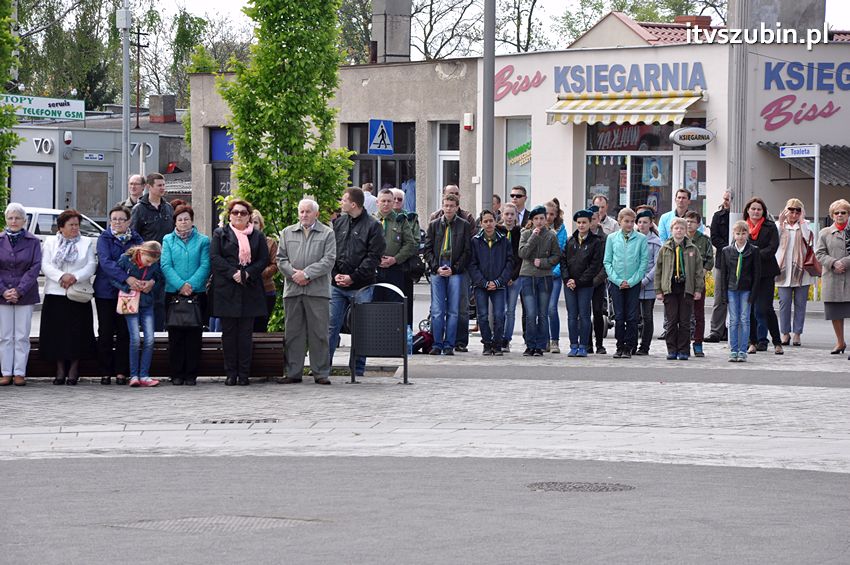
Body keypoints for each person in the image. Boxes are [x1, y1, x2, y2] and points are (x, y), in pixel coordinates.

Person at [209, 199, 270, 386]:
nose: (239, 216)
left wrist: (247, 273)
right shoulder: (220, 233)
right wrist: (233, 273)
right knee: (228, 334)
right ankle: (231, 373)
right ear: (230, 215)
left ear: (249, 216)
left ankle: (244, 374)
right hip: (226, 289)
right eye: (235, 212)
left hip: (249, 289)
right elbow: (215, 257)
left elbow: (263, 259)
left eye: (243, 213)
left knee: (245, 335)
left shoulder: (257, 236)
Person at [277, 198, 337, 385]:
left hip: (317, 291)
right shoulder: (287, 233)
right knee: (293, 333)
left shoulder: (327, 234)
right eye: (301, 211)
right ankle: (293, 372)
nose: (304, 215)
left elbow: (329, 260)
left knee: (319, 333)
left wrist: (307, 274)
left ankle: (320, 372)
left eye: (308, 212)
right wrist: (294, 274)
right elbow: (280, 259)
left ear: (316, 214)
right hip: (293, 290)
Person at [329, 187, 385, 374]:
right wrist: (335, 274)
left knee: (360, 328)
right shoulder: (339, 223)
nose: (341, 203)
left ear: (353, 204)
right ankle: (323, 368)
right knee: (331, 326)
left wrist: (353, 277)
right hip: (337, 285)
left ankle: (357, 369)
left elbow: (373, 257)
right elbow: (332, 251)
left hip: (362, 286)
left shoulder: (373, 225)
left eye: (343, 200)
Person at [40, 209, 97, 385]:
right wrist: (61, 276)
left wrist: (74, 277)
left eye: (77, 225)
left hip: (78, 293)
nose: (75, 228)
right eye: (71, 225)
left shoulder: (86, 242)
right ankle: (59, 369)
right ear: (61, 227)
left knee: (77, 333)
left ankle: (74, 368)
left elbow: (91, 265)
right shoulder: (50, 242)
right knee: (57, 333)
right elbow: (45, 264)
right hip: (56, 292)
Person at [94, 205, 144, 386]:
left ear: (129, 221)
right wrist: (126, 277)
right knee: (105, 332)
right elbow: (106, 263)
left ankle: (122, 371)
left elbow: (141, 260)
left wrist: (133, 280)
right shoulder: (104, 238)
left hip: (127, 294)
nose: (117, 222)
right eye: (114, 219)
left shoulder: (136, 238)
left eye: (121, 219)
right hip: (106, 292)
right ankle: (105, 371)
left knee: (125, 332)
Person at [161, 204, 210, 386]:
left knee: (194, 335)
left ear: (192, 221)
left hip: (196, 294)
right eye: (180, 219)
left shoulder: (203, 240)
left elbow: (205, 265)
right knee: (175, 336)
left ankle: (191, 373)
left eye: (186, 219)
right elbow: (165, 265)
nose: (183, 222)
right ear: (175, 221)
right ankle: (176, 373)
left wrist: (191, 285)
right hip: (173, 293)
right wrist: (181, 285)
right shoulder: (167, 240)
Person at [429, 185, 475, 352]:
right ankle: (436, 343)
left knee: (454, 310)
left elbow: (467, 251)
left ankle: (449, 344)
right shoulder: (434, 224)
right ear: (442, 206)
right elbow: (427, 249)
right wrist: (435, 267)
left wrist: (454, 269)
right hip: (438, 269)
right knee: (437, 310)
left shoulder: (464, 224)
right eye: (446, 205)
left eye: (451, 206)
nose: (448, 209)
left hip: (456, 270)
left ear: (457, 207)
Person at [0, 203, 42, 386]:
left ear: (25, 220)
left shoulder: (33, 241)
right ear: (6, 220)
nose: (14, 221)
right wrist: (4, 291)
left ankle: (19, 372)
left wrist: (19, 290)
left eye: (17, 218)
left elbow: (35, 268)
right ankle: (6, 372)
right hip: (2, 295)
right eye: (10, 218)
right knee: (5, 336)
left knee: (22, 335)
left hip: (25, 294)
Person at [130, 172, 174, 331]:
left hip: (165, 263)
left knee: (161, 304)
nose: (163, 188)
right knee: (146, 303)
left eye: (164, 185)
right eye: (159, 185)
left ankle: (159, 338)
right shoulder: (139, 209)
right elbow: (133, 238)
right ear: (149, 187)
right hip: (146, 265)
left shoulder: (168, 208)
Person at [116, 241, 164, 387]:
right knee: (135, 338)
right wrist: (128, 285)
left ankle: (144, 375)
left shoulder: (154, 264)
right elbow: (114, 278)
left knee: (150, 339)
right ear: (142, 253)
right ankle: (134, 375)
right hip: (130, 302)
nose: (149, 264)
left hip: (147, 303)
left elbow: (160, 278)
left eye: (153, 262)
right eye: (148, 261)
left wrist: (151, 284)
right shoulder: (125, 259)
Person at [655, 217, 704, 360]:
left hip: (686, 288)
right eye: (676, 228)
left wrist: (698, 289)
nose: (679, 231)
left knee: (685, 321)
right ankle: (671, 349)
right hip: (670, 288)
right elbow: (658, 270)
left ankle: (683, 350)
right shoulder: (665, 248)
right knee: (671, 321)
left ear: (685, 231)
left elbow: (698, 271)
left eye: (682, 228)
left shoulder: (692, 248)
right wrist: (658, 290)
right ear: (671, 230)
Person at [604, 207, 648, 359]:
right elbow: (607, 261)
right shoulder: (612, 238)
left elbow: (643, 263)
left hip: (633, 283)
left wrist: (631, 281)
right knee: (619, 316)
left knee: (631, 316)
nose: (629, 225)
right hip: (616, 282)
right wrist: (617, 280)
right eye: (626, 221)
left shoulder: (641, 239)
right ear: (619, 221)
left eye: (631, 222)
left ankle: (629, 346)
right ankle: (619, 345)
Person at [518, 205, 561, 356]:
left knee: (542, 313)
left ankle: (541, 345)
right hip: (528, 276)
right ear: (532, 220)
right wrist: (533, 237)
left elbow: (556, 256)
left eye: (541, 218)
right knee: (530, 313)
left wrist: (543, 262)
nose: (539, 222)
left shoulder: (551, 235)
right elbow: (522, 252)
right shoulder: (525, 233)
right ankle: (530, 344)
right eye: (536, 219)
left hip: (544, 277)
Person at [468, 209, 513, 355]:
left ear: (495, 222)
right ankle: (487, 343)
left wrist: (499, 281)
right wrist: (483, 282)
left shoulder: (503, 240)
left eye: (491, 221)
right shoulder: (475, 241)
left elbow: (509, 263)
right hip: (481, 285)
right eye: (485, 221)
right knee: (482, 315)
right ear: (481, 223)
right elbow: (472, 264)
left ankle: (498, 344)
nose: (488, 224)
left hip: (498, 284)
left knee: (500, 314)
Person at [560, 208, 603, 357]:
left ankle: (583, 345)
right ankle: (573, 344)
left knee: (584, 315)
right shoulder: (570, 240)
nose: (581, 225)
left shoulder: (595, 242)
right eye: (579, 222)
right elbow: (563, 261)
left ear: (590, 223)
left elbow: (595, 265)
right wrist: (567, 279)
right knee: (572, 315)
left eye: (584, 222)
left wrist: (579, 281)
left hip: (585, 284)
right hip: (570, 284)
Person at [744, 197, 783, 355]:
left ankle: (777, 342)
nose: (755, 212)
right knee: (750, 308)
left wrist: (754, 255)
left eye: (759, 209)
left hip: (766, 271)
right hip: (748, 272)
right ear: (748, 210)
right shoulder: (743, 226)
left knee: (765, 308)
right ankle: (752, 341)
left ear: (763, 212)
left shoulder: (770, 226)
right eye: (753, 209)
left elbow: (773, 247)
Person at [718, 221, 760, 362]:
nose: (741, 236)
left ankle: (743, 350)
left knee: (744, 319)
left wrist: (754, 294)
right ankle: (733, 350)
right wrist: (724, 294)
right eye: (738, 233)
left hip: (746, 289)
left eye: (743, 233)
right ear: (733, 234)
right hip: (731, 289)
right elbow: (724, 274)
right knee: (733, 320)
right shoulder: (727, 251)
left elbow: (756, 274)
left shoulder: (753, 250)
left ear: (748, 234)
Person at [775, 198, 815, 347]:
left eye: (797, 210)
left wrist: (803, 221)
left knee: (800, 304)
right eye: (791, 210)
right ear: (786, 210)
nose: (794, 213)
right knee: (784, 303)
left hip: (801, 271)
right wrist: (780, 222)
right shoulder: (779, 225)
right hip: (783, 271)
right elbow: (774, 240)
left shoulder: (806, 226)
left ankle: (797, 333)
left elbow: (809, 240)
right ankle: (785, 333)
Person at [815, 199, 850, 356]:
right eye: (837, 213)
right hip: (832, 277)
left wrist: (845, 262)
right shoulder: (825, 233)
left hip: (849, 276)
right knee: (835, 312)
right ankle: (840, 342)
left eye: (843, 212)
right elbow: (819, 253)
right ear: (832, 215)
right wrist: (833, 263)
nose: (840, 215)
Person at [374, 189, 416, 303]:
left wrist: (395, 259)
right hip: (374, 269)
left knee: (395, 303)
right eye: (383, 201)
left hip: (395, 269)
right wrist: (375, 260)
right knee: (375, 303)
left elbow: (410, 243)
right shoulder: (371, 220)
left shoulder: (401, 221)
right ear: (377, 202)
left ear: (393, 203)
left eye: (389, 201)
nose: (386, 204)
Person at [685, 210, 714, 357]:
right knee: (683, 314)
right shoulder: (680, 238)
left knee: (698, 313)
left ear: (698, 224)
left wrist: (702, 273)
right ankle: (683, 343)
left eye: (692, 221)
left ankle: (698, 343)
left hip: (697, 281)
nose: (689, 224)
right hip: (682, 281)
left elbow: (710, 260)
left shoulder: (704, 239)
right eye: (687, 221)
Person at [706, 189, 732, 342]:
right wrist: (729, 249)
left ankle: (731, 330)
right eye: (724, 199)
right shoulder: (718, 216)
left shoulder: (744, 215)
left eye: (728, 199)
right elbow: (714, 238)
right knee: (719, 297)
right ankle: (716, 330)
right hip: (722, 260)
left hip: (741, 260)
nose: (725, 202)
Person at [392, 188, 420, 328]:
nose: (396, 201)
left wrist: (397, 257)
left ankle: (405, 334)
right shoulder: (378, 218)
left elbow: (414, 243)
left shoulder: (411, 218)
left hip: (404, 267)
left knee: (405, 301)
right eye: (394, 199)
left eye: (400, 199)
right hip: (384, 266)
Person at [635, 208, 661, 355]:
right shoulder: (633, 239)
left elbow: (657, 265)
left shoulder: (656, 242)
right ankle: (631, 344)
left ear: (651, 224)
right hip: (633, 282)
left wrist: (645, 280)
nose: (642, 225)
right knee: (633, 316)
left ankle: (645, 346)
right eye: (639, 222)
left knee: (647, 316)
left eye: (645, 222)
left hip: (649, 285)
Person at [500, 202, 524, 353]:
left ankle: (506, 339)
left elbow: (521, 257)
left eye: (512, 214)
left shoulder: (520, 232)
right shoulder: (497, 231)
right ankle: (498, 336)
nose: (509, 217)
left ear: (516, 216)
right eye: (506, 214)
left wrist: (513, 276)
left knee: (511, 310)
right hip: (500, 276)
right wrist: (503, 276)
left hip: (516, 276)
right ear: (502, 215)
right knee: (499, 309)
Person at [250, 210, 279, 332]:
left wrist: (255, 272)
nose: (253, 225)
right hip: (247, 291)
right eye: (250, 222)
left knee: (260, 327)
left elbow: (275, 265)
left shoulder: (270, 242)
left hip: (266, 289)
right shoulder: (241, 241)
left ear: (261, 225)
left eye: (255, 222)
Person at [545, 199, 568, 353]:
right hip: (540, 274)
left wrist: (555, 272)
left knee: (552, 308)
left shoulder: (561, 230)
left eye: (551, 214)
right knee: (541, 310)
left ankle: (555, 341)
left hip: (554, 275)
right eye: (546, 213)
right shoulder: (536, 228)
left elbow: (562, 254)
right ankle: (544, 340)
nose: (548, 217)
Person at [588, 206, 609, 354]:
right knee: (584, 313)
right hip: (584, 281)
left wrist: (598, 279)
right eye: (589, 220)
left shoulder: (605, 238)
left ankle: (600, 344)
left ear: (598, 219)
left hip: (599, 280)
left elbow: (607, 261)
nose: (591, 222)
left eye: (594, 219)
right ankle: (587, 342)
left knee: (598, 311)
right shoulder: (580, 236)